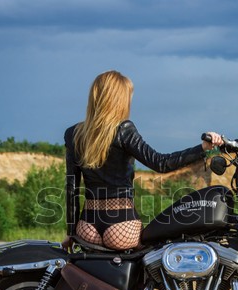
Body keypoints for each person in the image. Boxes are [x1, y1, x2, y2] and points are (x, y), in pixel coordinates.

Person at [62, 70, 223, 252]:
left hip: (87, 227)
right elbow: (160, 163)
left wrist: (70, 231)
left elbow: (71, 187)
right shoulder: (124, 129)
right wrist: (202, 148)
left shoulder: (73, 134)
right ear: (118, 99)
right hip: (121, 225)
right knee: (152, 263)